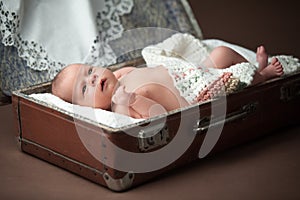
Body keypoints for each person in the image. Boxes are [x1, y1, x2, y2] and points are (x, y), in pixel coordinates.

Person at [51, 45, 283, 119]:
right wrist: (131, 99)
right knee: (232, 82)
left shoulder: (120, 75)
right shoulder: (120, 107)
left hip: (191, 74)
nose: (92, 77)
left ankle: (256, 67)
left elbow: (149, 70)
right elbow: (157, 114)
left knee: (222, 52)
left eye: (89, 70)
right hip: (199, 93)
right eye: (84, 87)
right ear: (86, 108)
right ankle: (263, 77)